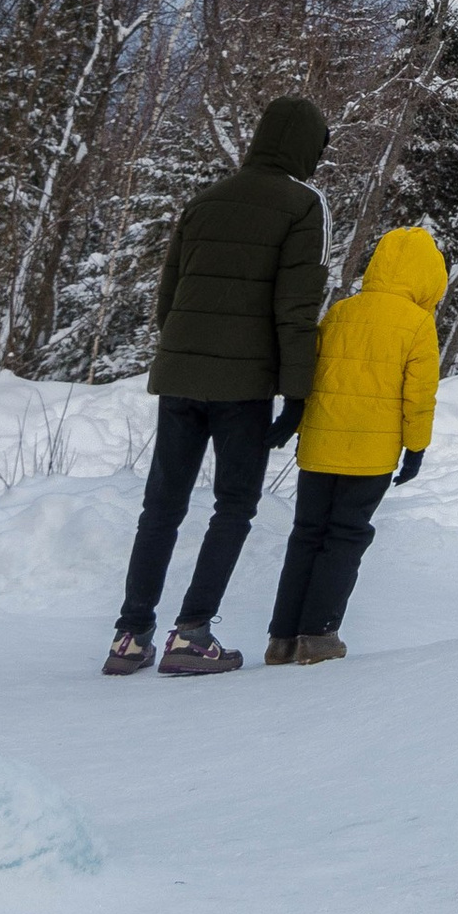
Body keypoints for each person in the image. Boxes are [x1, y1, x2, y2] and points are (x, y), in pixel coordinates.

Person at [104, 95, 330, 678]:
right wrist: (297, 394)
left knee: (162, 506)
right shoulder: (302, 205)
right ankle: (192, 633)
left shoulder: (204, 201)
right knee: (234, 505)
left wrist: (187, 355)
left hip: (180, 377)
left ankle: (130, 637)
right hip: (243, 387)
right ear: (306, 147)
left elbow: (169, 297)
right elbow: (296, 310)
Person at [265, 223, 445, 665]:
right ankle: (319, 635)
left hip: (319, 446)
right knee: (345, 537)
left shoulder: (340, 312)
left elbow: (313, 374)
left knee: (307, 535)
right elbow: (419, 396)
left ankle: (282, 638)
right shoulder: (418, 324)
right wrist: (416, 448)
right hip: (371, 455)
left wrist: (298, 425)